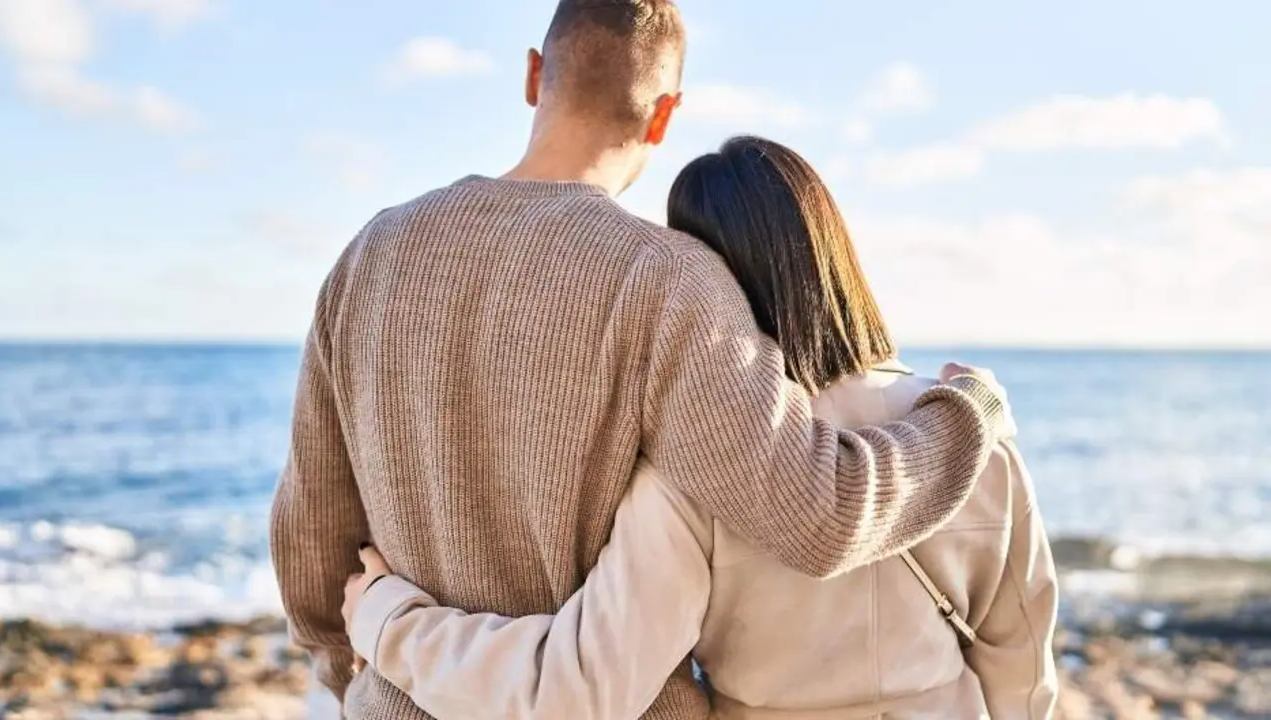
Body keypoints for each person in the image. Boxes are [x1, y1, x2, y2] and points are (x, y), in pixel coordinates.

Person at [270, 1, 1013, 718]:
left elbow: (311, 541)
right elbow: (819, 516)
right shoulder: (669, 281)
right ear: (664, 114)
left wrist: (357, 678)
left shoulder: (372, 255)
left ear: (534, 75)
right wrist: (965, 416)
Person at [341, 137, 1059, 719]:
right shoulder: (969, 434)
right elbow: (1025, 679)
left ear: (710, 281)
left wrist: (387, 623)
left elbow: (579, 689)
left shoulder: (698, 469)